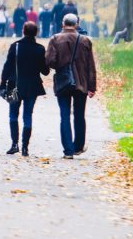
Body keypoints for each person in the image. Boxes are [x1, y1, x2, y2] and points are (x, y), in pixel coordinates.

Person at [45, 13, 97, 158]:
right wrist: (92, 87)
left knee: (64, 116)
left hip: (63, 82)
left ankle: (68, 151)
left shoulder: (55, 39)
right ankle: (78, 147)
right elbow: (90, 66)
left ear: (63, 24)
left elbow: (49, 61)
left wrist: (61, 66)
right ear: (77, 24)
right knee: (80, 115)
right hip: (81, 83)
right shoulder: (85, 40)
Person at [0, 21, 49, 156]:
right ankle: (25, 147)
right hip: (32, 87)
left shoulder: (15, 47)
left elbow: (7, 67)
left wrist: (2, 84)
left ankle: (14, 144)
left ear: (23, 31)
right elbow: (45, 71)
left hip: (15, 85)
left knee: (13, 115)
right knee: (28, 115)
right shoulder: (39, 49)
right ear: (36, 33)